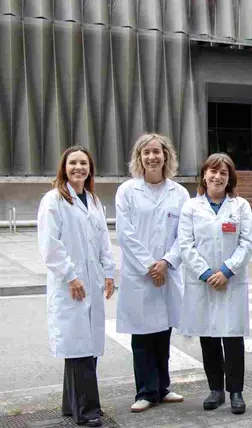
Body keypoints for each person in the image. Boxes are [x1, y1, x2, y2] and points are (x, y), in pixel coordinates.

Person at [38, 146, 116, 427]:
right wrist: (70, 276)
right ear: (64, 167)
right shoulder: (53, 200)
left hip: (92, 281)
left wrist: (109, 272)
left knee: (85, 346)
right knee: (78, 346)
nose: (78, 167)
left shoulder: (93, 200)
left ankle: (71, 405)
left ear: (90, 168)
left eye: (83, 163)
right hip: (70, 284)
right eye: (73, 163)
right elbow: (50, 246)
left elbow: (103, 239)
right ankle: (88, 411)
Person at [115, 133, 190, 412]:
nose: (152, 157)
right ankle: (145, 391)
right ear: (139, 157)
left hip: (166, 272)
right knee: (142, 335)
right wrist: (150, 264)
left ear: (166, 156)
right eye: (146, 152)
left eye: (157, 151)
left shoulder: (179, 193)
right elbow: (126, 234)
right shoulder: (127, 191)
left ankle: (162, 387)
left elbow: (185, 235)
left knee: (163, 333)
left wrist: (166, 263)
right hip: (141, 274)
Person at [178, 153, 252, 414]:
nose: (218, 177)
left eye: (223, 173)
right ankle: (215, 390)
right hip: (203, 283)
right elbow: (185, 245)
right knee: (208, 337)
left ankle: (236, 392)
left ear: (229, 178)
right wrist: (206, 274)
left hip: (230, 282)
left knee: (232, 338)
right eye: (213, 171)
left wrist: (226, 272)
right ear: (204, 175)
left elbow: (247, 243)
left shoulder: (240, 206)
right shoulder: (191, 207)